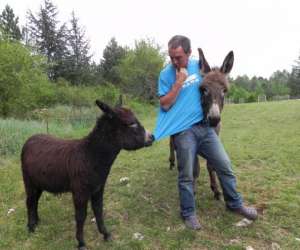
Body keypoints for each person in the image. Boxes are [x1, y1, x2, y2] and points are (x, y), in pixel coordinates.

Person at [153, 35, 257, 230]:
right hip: (184, 130)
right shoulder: (166, 74)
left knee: (224, 165)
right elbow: (165, 105)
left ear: (189, 54)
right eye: (171, 57)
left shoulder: (200, 67)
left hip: (206, 127)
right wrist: (179, 81)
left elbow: (216, 84)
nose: (174, 62)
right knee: (187, 173)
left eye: (178, 57)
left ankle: (235, 203)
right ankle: (188, 213)